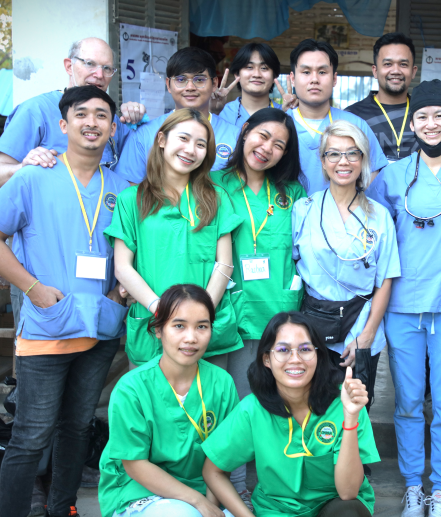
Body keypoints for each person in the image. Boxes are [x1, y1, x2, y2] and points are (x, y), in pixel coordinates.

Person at [0, 85, 131, 517]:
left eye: (102, 116)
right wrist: (33, 289)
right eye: (82, 115)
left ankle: (63, 509)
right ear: (63, 126)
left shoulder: (122, 188)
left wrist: (119, 294)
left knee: (76, 428)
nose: (92, 123)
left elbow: (129, 251)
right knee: (31, 434)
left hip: (100, 329)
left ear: (113, 129)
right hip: (48, 327)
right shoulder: (33, 177)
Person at [104, 108, 251, 504]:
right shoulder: (135, 199)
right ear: (162, 140)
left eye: (201, 144)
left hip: (207, 330)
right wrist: (164, 313)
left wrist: (197, 318)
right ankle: (152, 498)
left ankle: (222, 499)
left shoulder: (214, 197)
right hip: (153, 325)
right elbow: (123, 266)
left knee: (214, 418)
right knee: (153, 415)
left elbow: (224, 264)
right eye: (183, 139)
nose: (191, 149)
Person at [367, 80, 441, 517]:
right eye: (422, 116)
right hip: (402, 305)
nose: (431, 123)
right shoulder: (394, 176)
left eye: (440, 115)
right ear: (412, 123)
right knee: (407, 401)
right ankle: (413, 485)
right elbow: (376, 235)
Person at [202, 312, 381, 517]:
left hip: (334, 507)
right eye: (283, 350)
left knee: (348, 513)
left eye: (305, 349)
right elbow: (213, 470)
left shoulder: (345, 400)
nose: (295, 359)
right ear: (267, 359)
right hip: (277, 511)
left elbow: (348, 493)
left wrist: (350, 418)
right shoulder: (253, 409)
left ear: (318, 355)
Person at [99, 284, 238, 517]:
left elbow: (222, 459)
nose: (191, 338)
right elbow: (134, 464)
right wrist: (198, 503)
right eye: (179, 326)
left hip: (203, 491)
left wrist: (211, 505)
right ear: (158, 329)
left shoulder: (222, 383)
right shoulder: (132, 388)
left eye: (202, 326)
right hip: (138, 491)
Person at [292, 120, 400, 410]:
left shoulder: (379, 216)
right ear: (323, 160)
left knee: (355, 415)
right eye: (334, 154)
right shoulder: (303, 210)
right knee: (311, 409)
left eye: (353, 153)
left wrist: (364, 337)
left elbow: (385, 280)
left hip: (362, 323)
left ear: (363, 160)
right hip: (313, 328)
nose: (344, 161)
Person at [210, 108, 306, 400]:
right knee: (230, 403)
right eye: (263, 136)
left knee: (274, 404)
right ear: (245, 130)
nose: (267, 148)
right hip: (228, 312)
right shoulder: (212, 184)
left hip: (277, 308)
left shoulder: (293, 193)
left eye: (278, 145)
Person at [0, 37, 145, 190]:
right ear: (69, 66)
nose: (99, 75)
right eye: (90, 64)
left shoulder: (113, 120)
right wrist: (25, 168)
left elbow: (141, 162)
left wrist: (137, 119)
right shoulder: (35, 110)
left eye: (107, 68)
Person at [115, 47, 240, 184]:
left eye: (199, 80)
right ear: (168, 85)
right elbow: (129, 190)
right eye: (181, 80)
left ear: (214, 84)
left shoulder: (234, 136)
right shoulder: (145, 134)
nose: (190, 87)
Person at [287, 39, 388, 194]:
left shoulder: (356, 125)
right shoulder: (279, 125)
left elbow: (373, 177)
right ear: (293, 79)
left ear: (334, 79)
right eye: (306, 72)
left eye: (322, 72)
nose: (314, 79)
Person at [346, 32, 418, 162]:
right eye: (388, 64)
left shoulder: (426, 113)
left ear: (413, 71)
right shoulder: (352, 116)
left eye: (403, 64)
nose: (396, 71)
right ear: (375, 70)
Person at [217, 43, 296, 128]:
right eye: (249, 67)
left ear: (274, 76)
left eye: (264, 68)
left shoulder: (285, 113)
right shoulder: (221, 112)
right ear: (237, 74)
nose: (257, 74)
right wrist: (213, 111)